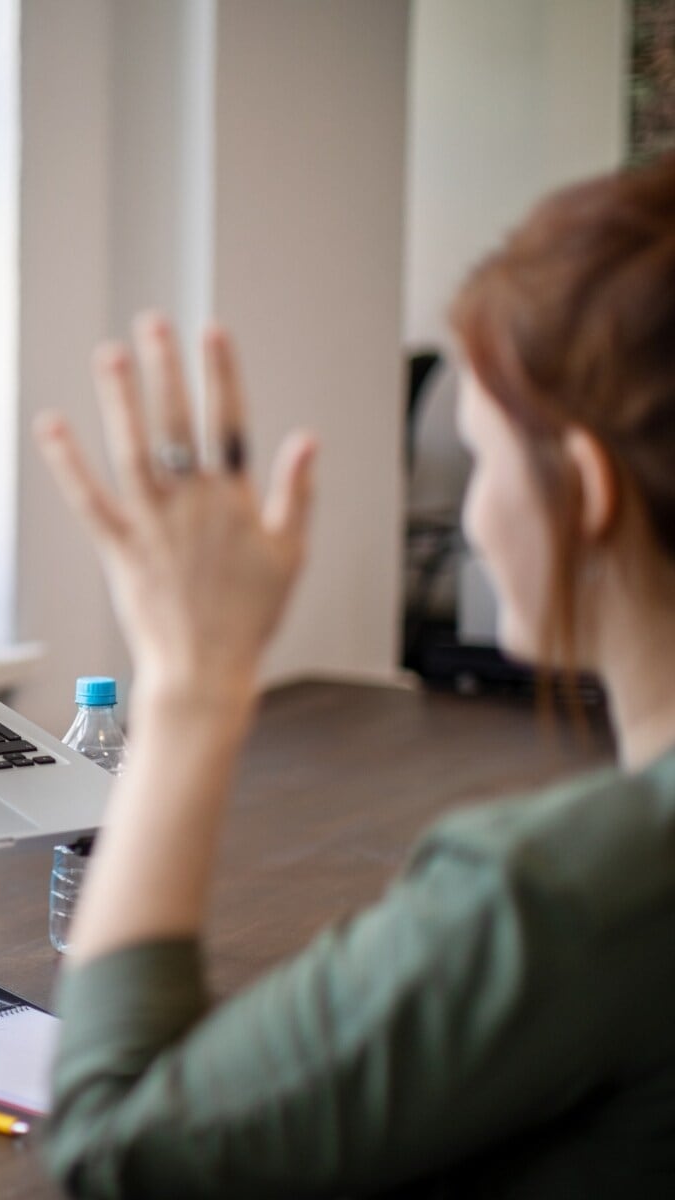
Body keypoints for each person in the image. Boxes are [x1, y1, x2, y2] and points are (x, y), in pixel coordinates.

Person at [33, 157, 675, 1197]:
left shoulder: (566, 899)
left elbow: (116, 1159)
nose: (470, 515)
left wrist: (193, 682)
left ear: (586, 491)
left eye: (481, 459)